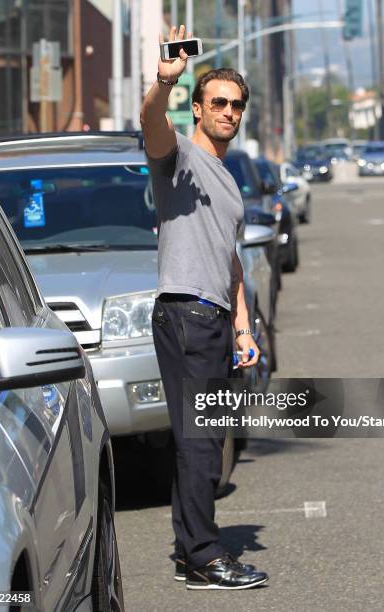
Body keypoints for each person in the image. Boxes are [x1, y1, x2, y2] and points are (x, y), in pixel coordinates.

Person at [141, 24, 268, 590]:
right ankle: (204, 555)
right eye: (218, 103)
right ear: (198, 107)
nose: (229, 112)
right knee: (200, 441)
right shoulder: (181, 158)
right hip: (186, 314)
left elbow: (231, 262)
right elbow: (152, 127)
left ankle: (191, 548)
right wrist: (163, 82)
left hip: (212, 318)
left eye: (236, 105)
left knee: (201, 439)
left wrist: (243, 330)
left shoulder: (229, 180)